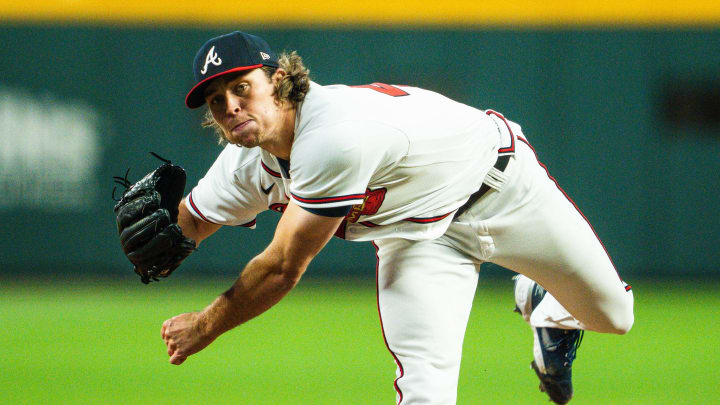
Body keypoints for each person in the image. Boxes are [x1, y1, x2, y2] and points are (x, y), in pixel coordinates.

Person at [160, 31, 634, 404]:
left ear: (279, 80)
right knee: (426, 390)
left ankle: (547, 306)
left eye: (241, 88)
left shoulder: (333, 136)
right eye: (216, 101)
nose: (230, 107)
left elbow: (283, 267)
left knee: (615, 316)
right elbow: (191, 223)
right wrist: (157, 243)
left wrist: (204, 326)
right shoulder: (244, 161)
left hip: (504, 188)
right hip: (421, 241)